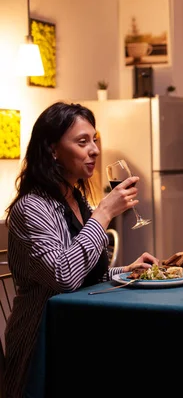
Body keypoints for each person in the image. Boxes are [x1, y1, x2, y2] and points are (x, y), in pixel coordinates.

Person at [3, 102, 159, 397]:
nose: (95, 150)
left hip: (78, 328)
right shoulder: (32, 207)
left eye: (95, 139)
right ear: (52, 150)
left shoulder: (75, 199)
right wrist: (103, 214)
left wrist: (124, 271)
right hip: (42, 341)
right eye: (82, 141)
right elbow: (63, 277)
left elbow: (86, 275)